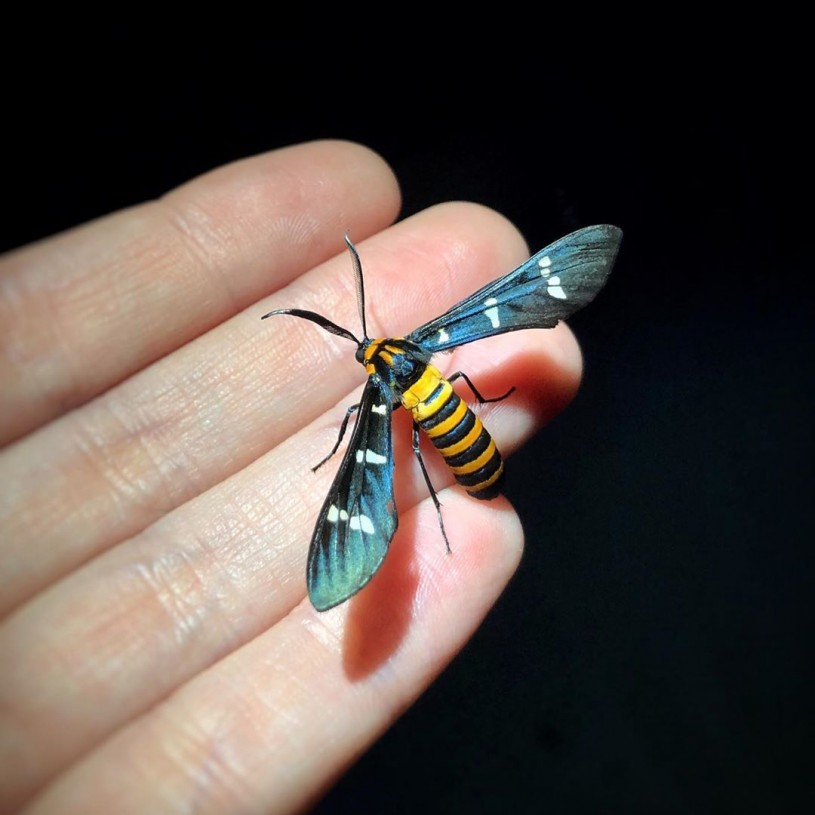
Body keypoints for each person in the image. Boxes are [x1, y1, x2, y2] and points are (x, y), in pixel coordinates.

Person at [0, 140, 585, 813]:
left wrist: (350, 443)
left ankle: (453, 498)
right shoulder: (427, 346)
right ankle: (459, 477)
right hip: (462, 425)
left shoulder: (374, 397)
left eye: (370, 347)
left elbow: (360, 442)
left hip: (454, 440)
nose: (372, 351)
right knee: (442, 401)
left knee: (403, 449)